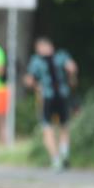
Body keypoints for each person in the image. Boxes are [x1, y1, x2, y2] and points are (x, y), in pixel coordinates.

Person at [24, 37, 78, 171]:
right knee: (57, 128)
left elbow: (29, 81)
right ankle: (60, 156)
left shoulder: (42, 60)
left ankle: (59, 158)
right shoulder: (56, 57)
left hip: (54, 96)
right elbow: (72, 69)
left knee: (54, 127)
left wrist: (37, 86)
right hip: (56, 96)